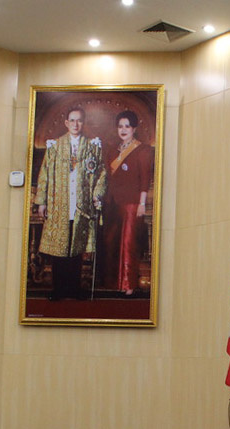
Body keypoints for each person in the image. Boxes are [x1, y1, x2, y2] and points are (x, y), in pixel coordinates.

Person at [34, 106, 107, 299]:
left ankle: (74, 289)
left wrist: (97, 195)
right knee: (60, 248)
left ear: (84, 123)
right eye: (72, 120)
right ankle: (58, 289)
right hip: (59, 203)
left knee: (76, 247)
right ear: (66, 123)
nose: (76, 124)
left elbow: (101, 173)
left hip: (81, 205)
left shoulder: (92, 146)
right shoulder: (55, 146)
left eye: (79, 120)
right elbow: (44, 174)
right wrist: (42, 202)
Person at [103, 110, 154, 295]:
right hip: (113, 203)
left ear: (134, 128)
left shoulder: (143, 150)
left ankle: (128, 285)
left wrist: (142, 203)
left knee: (128, 244)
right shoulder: (113, 150)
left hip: (132, 204)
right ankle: (113, 284)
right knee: (112, 243)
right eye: (120, 126)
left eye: (127, 126)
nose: (123, 130)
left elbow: (145, 179)